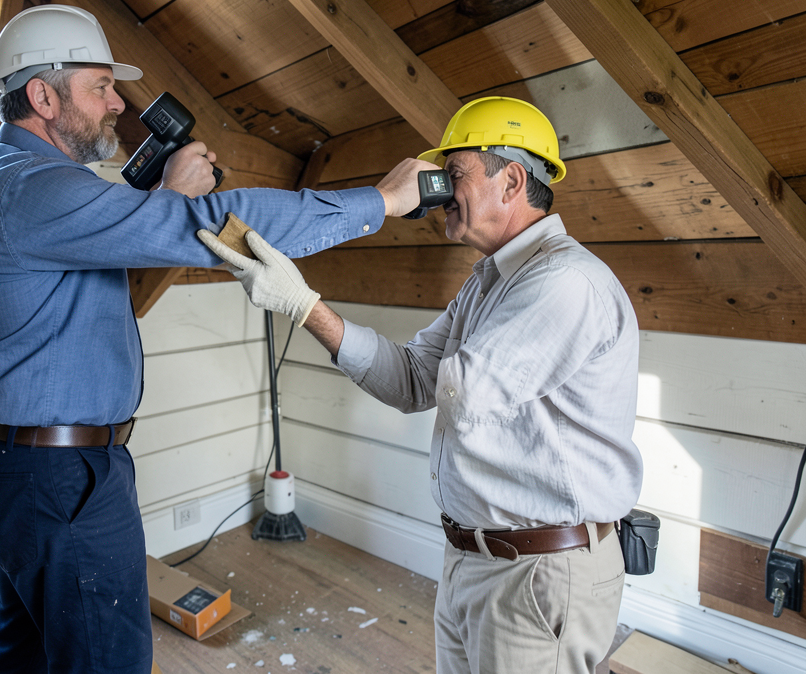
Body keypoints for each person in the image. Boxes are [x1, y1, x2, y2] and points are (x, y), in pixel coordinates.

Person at [0, 3, 433, 674]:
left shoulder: (6, 181)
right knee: (104, 660)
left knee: (23, 650)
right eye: (100, 87)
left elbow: (100, 249)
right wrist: (380, 202)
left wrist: (159, 197)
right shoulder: (29, 190)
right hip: (60, 477)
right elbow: (215, 222)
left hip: (31, 469)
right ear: (42, 96)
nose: (119, 102)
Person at [198, 97, 644, 674]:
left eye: (452, 175)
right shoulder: (489, 281)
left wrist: (378, 207)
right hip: (475, 558)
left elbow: (464, 395)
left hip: (539, 574)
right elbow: (412, 380)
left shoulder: (565, 281)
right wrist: (303, 304)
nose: (436, 193)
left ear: (511, 180)